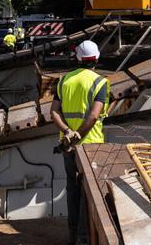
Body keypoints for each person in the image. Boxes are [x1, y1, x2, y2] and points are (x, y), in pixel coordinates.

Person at [50, 40, 107, 245]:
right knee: (88, 192)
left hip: (68, 146)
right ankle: (84, 239)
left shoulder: (64, 80)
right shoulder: (100, 82)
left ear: (78, 58)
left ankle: (73, 236)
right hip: (91, 144)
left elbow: (54, 112)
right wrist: (79, 136)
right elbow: (92, 117)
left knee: (72, 188)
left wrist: (68, 133)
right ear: (97, 58)